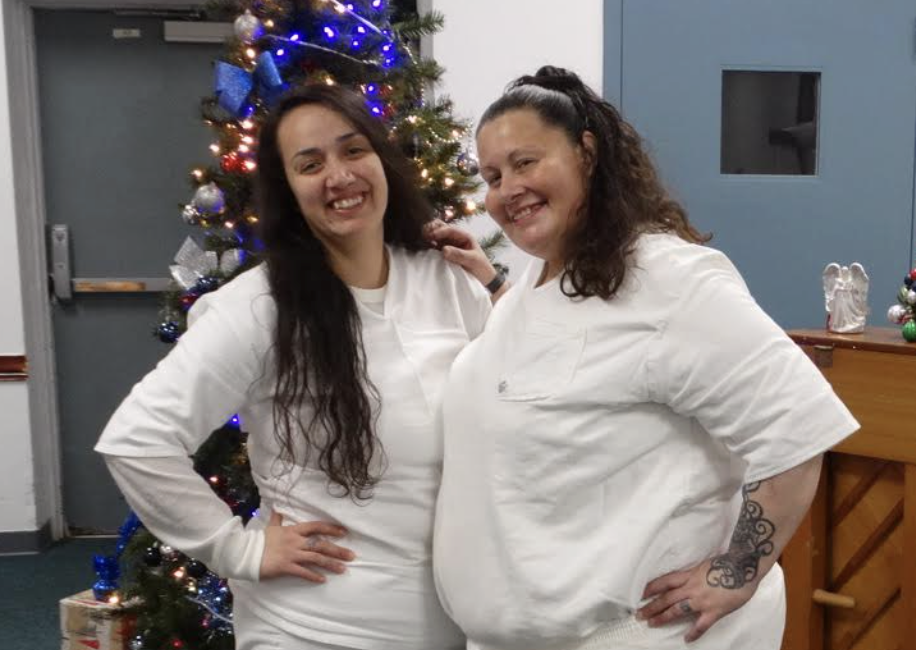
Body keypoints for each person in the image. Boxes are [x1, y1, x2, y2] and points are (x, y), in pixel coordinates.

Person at [431, 67, 859, 650]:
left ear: (587, 153)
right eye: (493, 176)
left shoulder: (666, 279)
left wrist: (736, 572)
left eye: (526, 162)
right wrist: (491, 282)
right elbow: (569, 363)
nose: (508, 189)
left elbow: (796, 424)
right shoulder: (537, 281)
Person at [95, 84, 503, 650]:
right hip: (315, 628)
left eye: (353, 150)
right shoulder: (259, 308)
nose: (340, 176)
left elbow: (518, 405)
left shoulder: (448, 282)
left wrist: (497, 286)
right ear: (287, 189)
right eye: (310, 165)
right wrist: (236, 549)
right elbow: (137, 439)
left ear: (381, 160)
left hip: (457, 622)